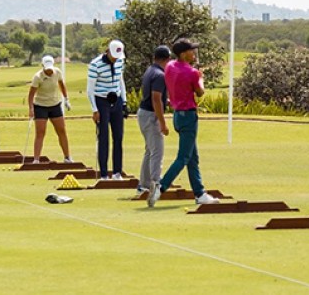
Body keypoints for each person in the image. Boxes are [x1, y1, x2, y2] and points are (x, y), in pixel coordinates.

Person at [148, 39, 220, 207]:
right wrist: (200, 78)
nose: (193, 53)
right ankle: (161, 186)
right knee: (183, 157)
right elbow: (200, 92)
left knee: (192, 157)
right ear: (182, 54)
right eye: (191, 50)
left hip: (177, 117)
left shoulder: (171, 66)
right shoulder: (192, 73)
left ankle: (199, 193)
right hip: (188, 116)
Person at [87, 39, 128, 180]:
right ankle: (104, 174)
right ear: (108, 51)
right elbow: (90, 90)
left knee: (118, 137)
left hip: (116, 100)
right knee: (103, 137)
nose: (116, 59)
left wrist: (124, 102)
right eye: (114, 56)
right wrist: (94, 109)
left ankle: (117, 172)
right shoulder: (95, 64)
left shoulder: (120, 62)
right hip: (101, 101)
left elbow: (120, 81)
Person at [135, 45, 171, 197]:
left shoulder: (151, 70)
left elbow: (157, 97)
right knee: (157, 151)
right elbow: (156, 99)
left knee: (150, 150)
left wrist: (166, 101)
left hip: (143, 112)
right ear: (167, 59)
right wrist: (162, 123)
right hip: (151, 115)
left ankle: (144, 185)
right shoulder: (160, 75)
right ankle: (155, 184)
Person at [27, 55, 72, 163]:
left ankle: (67, 157)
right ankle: (36, 159)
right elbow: (31, 94)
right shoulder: (38, 76)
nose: (49, 71)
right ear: (43, 66)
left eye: (50, 69)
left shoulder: (57, 72)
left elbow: (62, 84)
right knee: (40, 132)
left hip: (55, 104)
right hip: (40, 106)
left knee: (61, 130)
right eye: (47, 69)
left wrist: (66, 99)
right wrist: (31, 109)